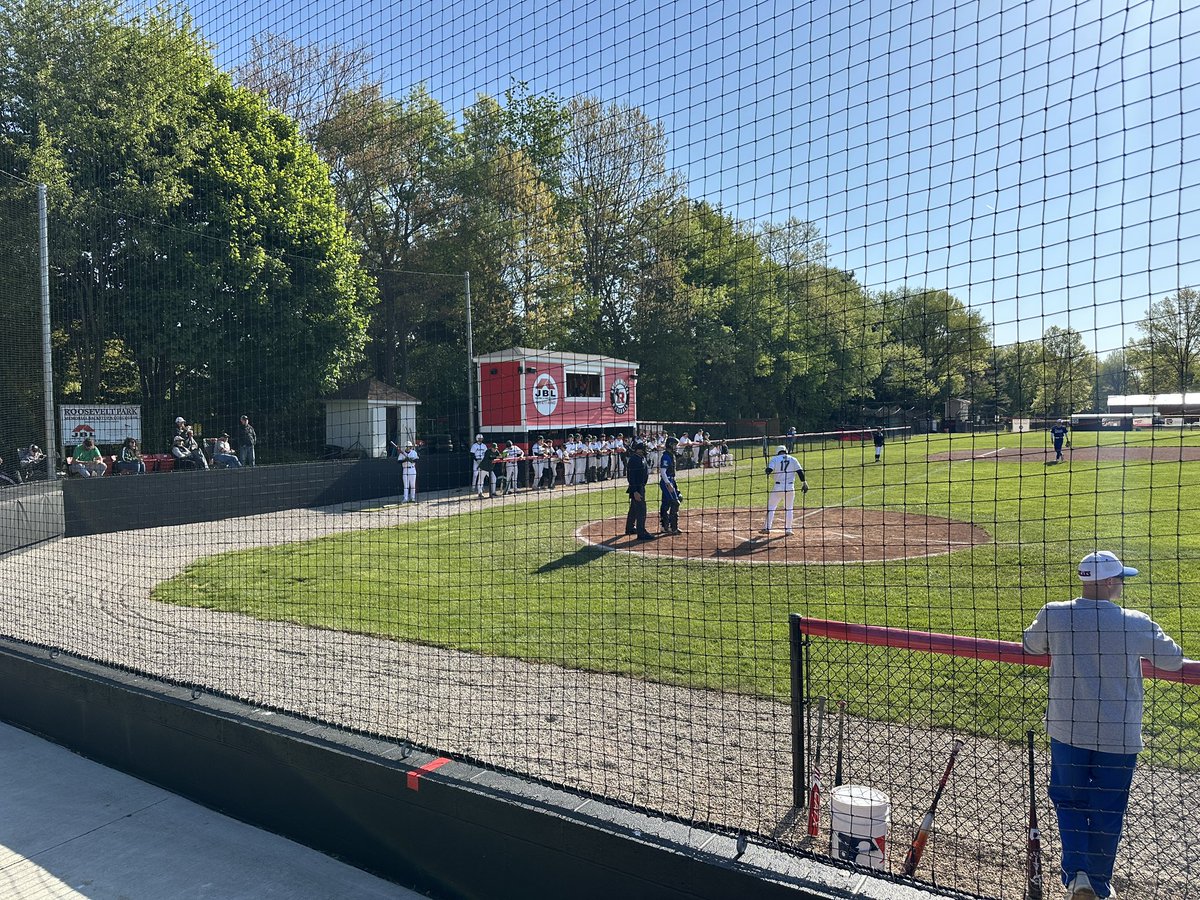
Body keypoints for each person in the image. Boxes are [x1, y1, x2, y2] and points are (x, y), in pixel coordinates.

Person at [1023, 552, 1185, 900]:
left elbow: (1031, 645)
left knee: (1069, 802)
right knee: (1108, 809)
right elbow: (1172, 660)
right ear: (1109, 582)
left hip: (1068, 730)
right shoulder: (1135, 622)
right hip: (1119, 734)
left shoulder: (1055, 613)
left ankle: (1076, 875)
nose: (1123, 584)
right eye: (1121, 579)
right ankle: (1097, 883)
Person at [761, 445, 808, 536]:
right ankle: (788, 530)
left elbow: (769, 470)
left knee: (771, 507)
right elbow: (800, 472)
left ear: (778, 451)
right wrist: (804, 483)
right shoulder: (793, 459)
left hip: (778, 487)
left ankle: (767, 528)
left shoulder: (775, 459)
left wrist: (766, 470)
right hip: (790, 487)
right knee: (789, 509)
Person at [624, 441, 654, 540]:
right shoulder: (633, 459)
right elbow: (631, 477)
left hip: (641, 486)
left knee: (633, 509)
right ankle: (641, 533)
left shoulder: (641, 458)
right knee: (641, 510)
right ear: (639, 450)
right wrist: (635, 491)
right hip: (636, 488)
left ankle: (630, 528)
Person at [659, 436, 682, 535]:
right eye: (674, 445)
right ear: (670, 445)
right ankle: (673, 527)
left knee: (666, 503)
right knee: (675, 502)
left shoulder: (671, 455)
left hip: (671, 480)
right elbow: (663, 471)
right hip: (667, 481)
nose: (676, 447)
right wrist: (668, 484)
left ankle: (664, 526)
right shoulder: (666, 456)